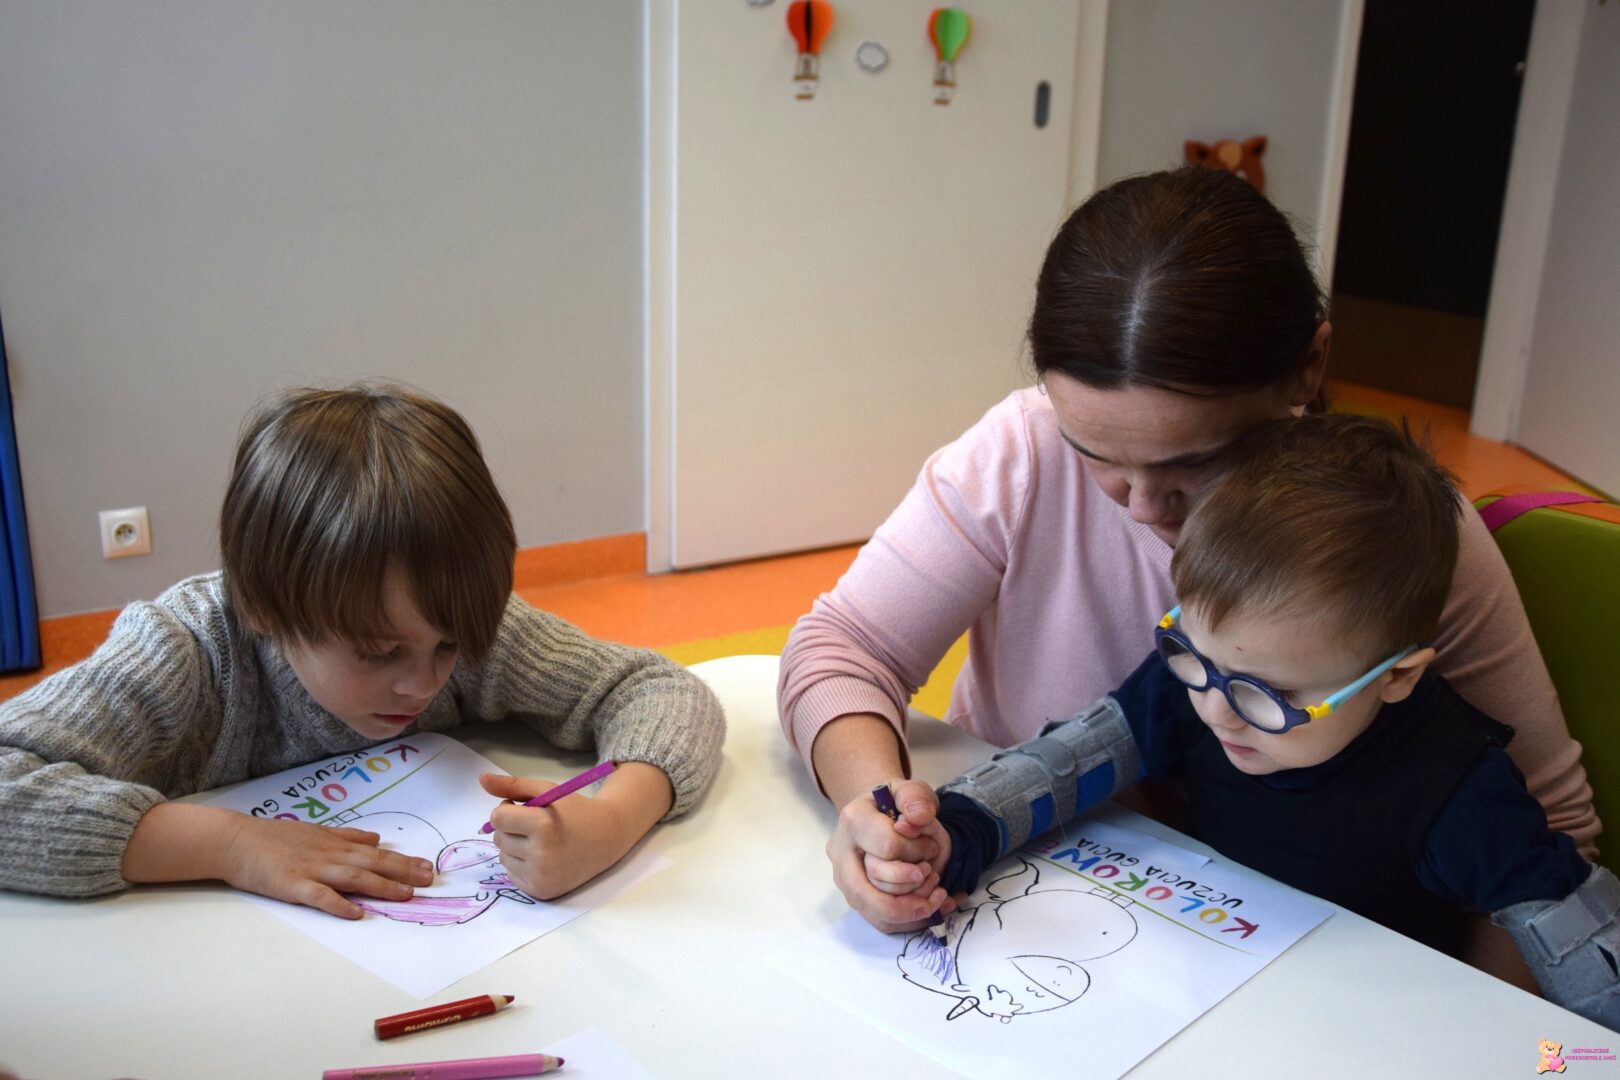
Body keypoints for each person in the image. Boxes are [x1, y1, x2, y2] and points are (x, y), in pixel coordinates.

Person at [777, 167, 1599, 977]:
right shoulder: (1020, 452)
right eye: (1095, 453)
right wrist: (878, 815)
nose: (1141, 507)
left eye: (1194, 462)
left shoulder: (1387, 541)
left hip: (1287, 954)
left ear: (1307, 367)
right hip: (1024, 887)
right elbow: (844, 646)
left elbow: (1548, 831)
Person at [867, 414, 1620, 1028]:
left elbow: (1580, 953)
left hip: (1363, 1023)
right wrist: (957, 831)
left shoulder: (1459, 790)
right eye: (1194, 655)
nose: (1218, 711)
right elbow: (1071, 762)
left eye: (1267, 693)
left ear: (1395, 677)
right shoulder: (1197, 684)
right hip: (1202, 983)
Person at [0, 383, 724, 916]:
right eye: (378, 653)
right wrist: (233, 845)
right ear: (264, 607)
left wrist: (612, 820)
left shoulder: (455, 624)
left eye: (447, 646)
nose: (423, 682)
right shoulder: (184, 649)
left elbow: (661, 690)